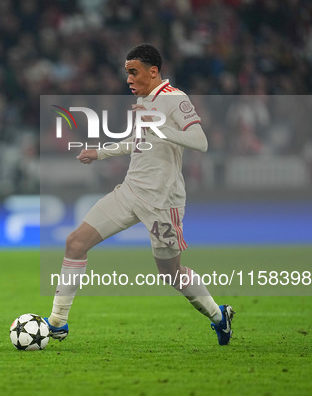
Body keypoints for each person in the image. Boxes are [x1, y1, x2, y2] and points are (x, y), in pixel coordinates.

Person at [44, 44, 235, 345]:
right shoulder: (146, 101)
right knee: (75, 242)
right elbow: (138, 141)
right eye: (127, 74)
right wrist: (100, 153)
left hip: (163, 203)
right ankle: (57, 322)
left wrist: (160, 129)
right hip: (130, 191)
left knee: (171, 274)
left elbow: (200, 141)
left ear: (153, 71)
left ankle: (219, 316)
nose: (129, 80)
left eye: (133, 72)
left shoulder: (175, 99)